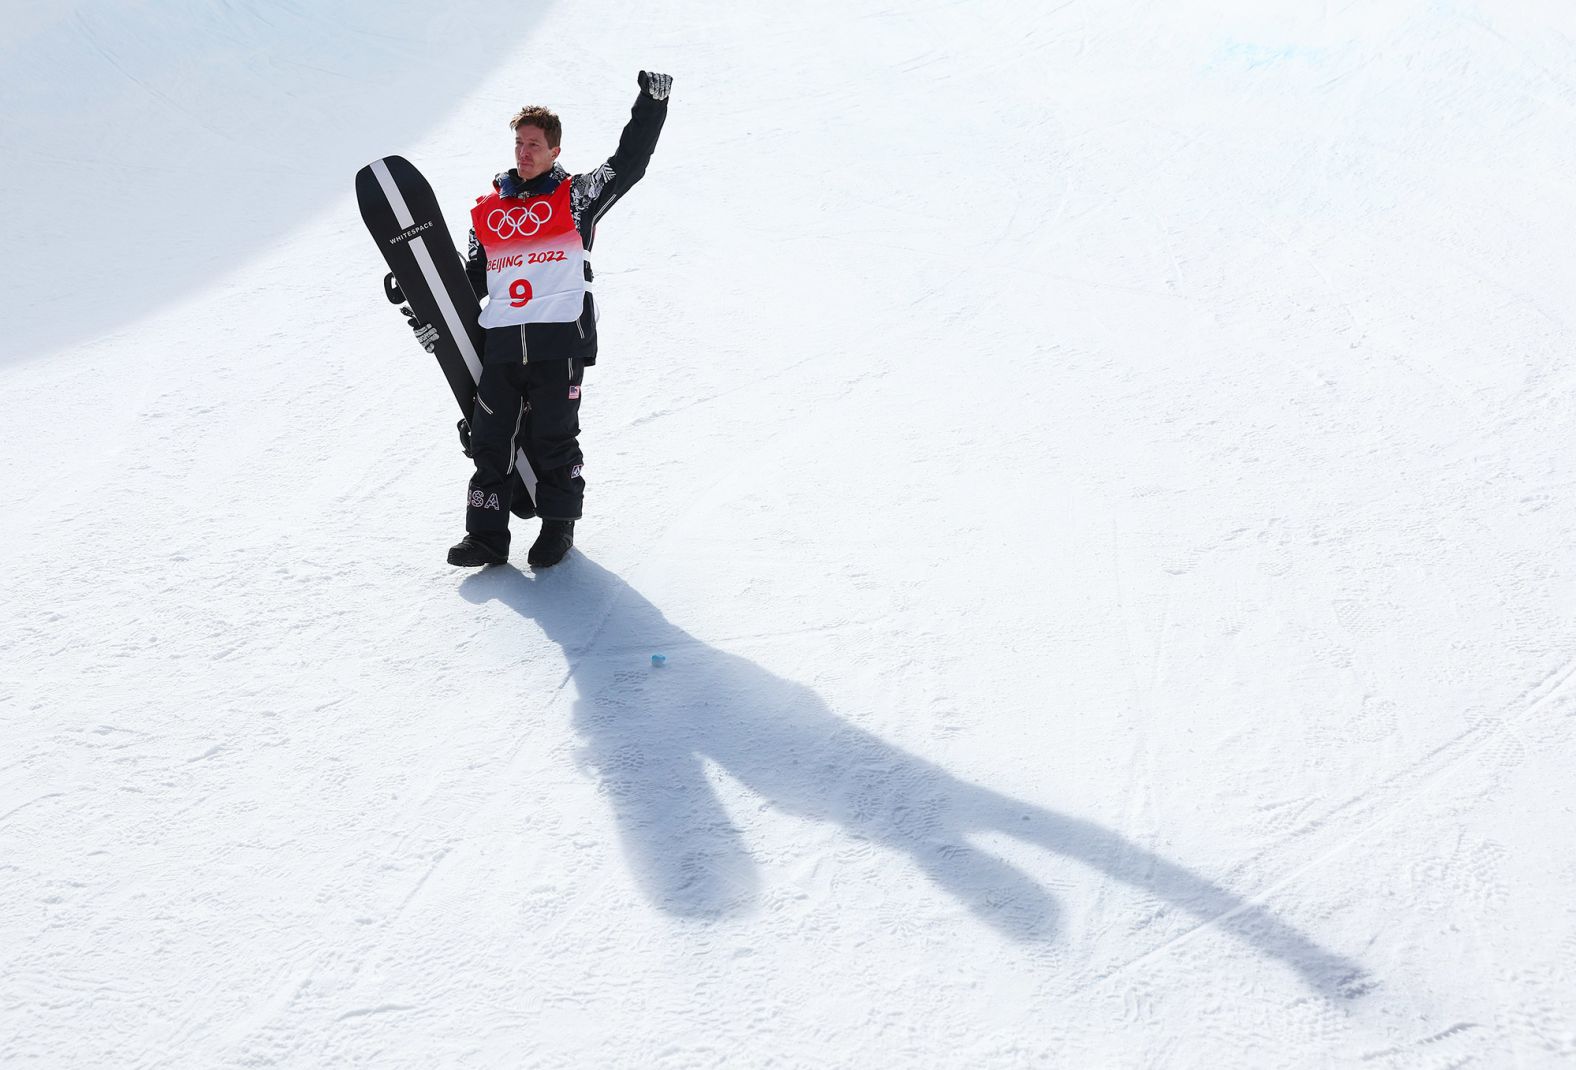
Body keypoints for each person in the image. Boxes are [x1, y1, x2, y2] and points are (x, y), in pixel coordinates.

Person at [403, 70, 672, 568]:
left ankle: (557, 528)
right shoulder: (487, 212)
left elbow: (628, 164)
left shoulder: (575, 197)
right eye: (518, 144)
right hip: (502, 342)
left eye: (533, 145)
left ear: (554, 150)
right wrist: (428, 315)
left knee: (552, 437)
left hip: (559, 339)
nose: (523, 152)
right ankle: (486, 536)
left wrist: (651, 105)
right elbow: (469, 283)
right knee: (489, 438)